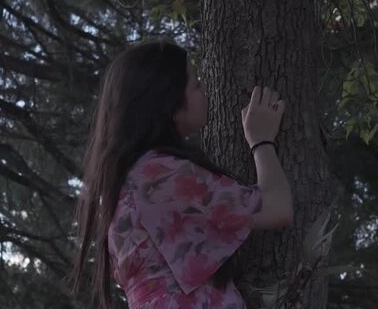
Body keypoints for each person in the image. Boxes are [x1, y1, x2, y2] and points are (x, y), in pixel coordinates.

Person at [71, 40, 293, 308]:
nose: (205, 91)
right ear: (171, 104)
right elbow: (278, 207)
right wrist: (262, 141)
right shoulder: (159, 176)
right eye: (196, 84)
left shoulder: (125, 183)